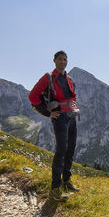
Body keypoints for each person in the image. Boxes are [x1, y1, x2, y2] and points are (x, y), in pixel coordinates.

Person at [29, 50, 79, 202]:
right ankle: (55, 189)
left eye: (65, 59)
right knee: (61, 150)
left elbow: (73, 96)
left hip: (71, 117)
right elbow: (33, 96)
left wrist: (75, 108)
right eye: (60, 59)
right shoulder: (48, 77)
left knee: (70, 148)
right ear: (54, 61)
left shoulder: (68, 78)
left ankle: (66, 180)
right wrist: (47, 113)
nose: (63, 62)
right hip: (59, 118)